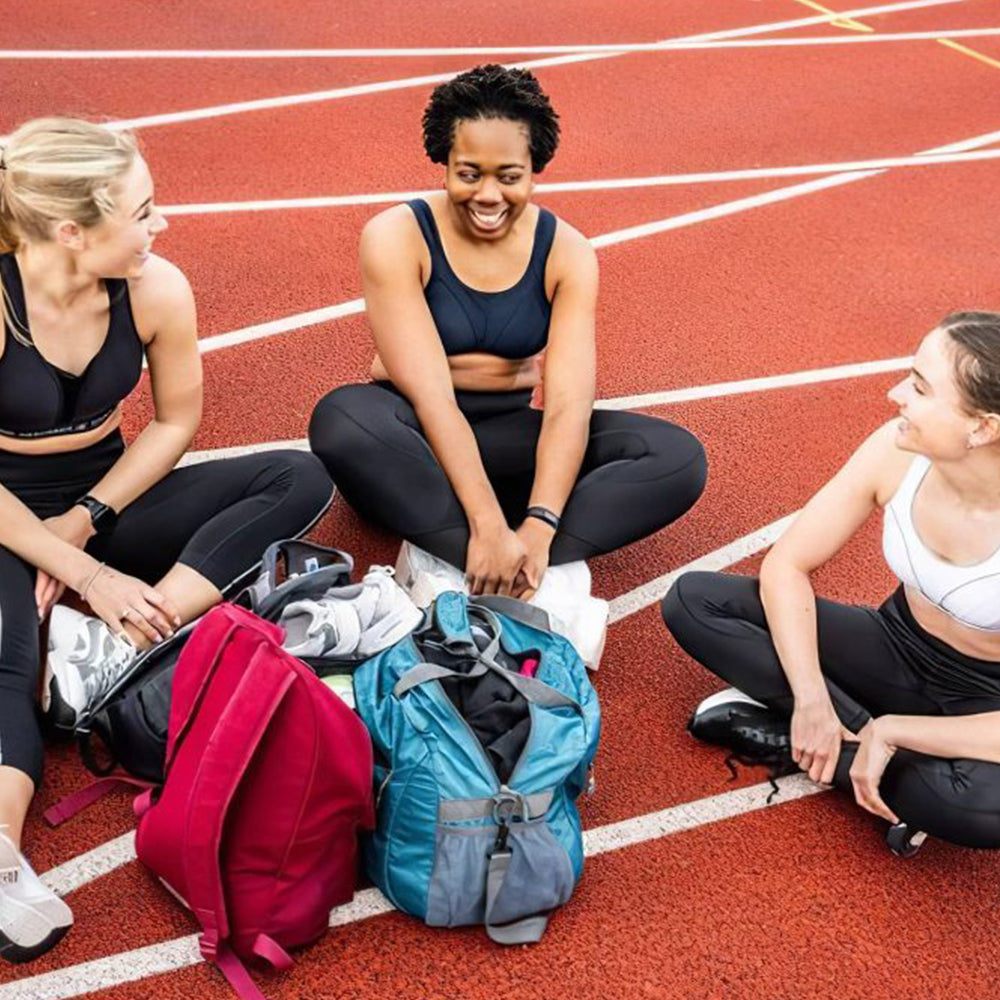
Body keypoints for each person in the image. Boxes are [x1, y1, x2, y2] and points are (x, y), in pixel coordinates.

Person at [0, 117, 333, 961]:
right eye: (142, 212)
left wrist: (88, 525)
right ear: (73, 231)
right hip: (3, 505)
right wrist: (77, 569)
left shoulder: (156, 287)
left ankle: (130, 647)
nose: (162, 225)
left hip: (101, 498)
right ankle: (1, 857)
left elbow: (177, 420)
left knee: (299, 475)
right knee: (7, 653)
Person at [308, 64, 707, 599]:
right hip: (412, 434)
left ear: (533, 170)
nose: (489, 195)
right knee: (342, 421)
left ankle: (499, 564)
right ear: (443, 164)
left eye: (509, 177)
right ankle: (485, 555)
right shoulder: (395, 236)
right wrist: (488, 524)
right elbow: (432, 397)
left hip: (506, 441)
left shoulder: (567, 252)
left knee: (676, 458)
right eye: (469, 174)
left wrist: (539, 525)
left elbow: (568, 404)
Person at [662, 312, 1000, 851]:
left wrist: (892, 732)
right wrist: (812, 697)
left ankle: (820, 741)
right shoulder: (894, 451)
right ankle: (833, 744)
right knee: (693, 601)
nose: (895, 395)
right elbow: (787, 565)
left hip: (984, 699)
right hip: (893, 644)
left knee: (983, 807)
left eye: (919, 387)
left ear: (982, 427)